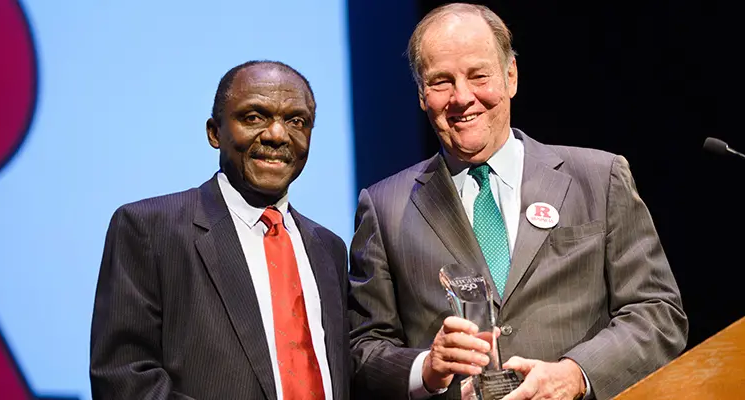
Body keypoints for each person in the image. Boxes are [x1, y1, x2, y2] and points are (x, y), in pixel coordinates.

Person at [347, 4, 688, 400]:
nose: (462, 98)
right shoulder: (384, 206)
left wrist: (576, 374)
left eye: (479, 76)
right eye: (441, 81)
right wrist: (427, 368)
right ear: (422, 95)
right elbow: (362, 350)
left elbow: (658, 314)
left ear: (511, 76)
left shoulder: (598, 178)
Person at [90, 60, 350, 400]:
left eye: (296, 121)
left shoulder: (329, 248)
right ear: (215, 132)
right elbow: (124, 379)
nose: (276, 134)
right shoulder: (148, 229)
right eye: (254, 117)